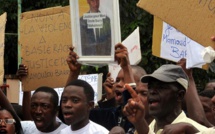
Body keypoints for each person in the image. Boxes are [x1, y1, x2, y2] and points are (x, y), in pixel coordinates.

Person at [123, 64, 207, 134]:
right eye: (150, 87)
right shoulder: (143, 129)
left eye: (161, 87)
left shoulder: (200, 131)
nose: (152, 92)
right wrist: (139, 123)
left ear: (180, 95)